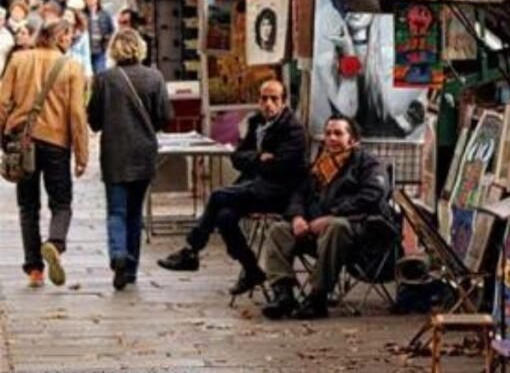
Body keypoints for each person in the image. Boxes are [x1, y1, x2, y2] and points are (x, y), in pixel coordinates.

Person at [158, 80, 306, 295]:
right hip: (253, 185)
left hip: (277, 191)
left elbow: (282, 166)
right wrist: (258, 158)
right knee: (225, 217)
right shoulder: (256, 123)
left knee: (218, 195)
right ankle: (251, 269)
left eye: (274, 99)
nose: (268, 104)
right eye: (264, 98)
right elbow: (237, 157)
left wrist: (259, 162)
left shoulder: (292, 129)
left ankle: (191, 250)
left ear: (283, 102)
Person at [261, 114, 393, 320]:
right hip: (315, 230)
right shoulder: (319, 165)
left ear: (352, 139)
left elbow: (373, 195)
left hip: (359, 230)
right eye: (328, 133)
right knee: (278, 230)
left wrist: (333, 215)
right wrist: (297, 217)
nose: (331, 138)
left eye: (338, 133)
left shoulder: (368, 163)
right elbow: (299, 194)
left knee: (335, 226)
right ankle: (283, 294)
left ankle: (317, 297)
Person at [0, 19, 88, 288]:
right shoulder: (72, 67)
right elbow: (76, 113)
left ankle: (34, 269)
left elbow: (2, 102)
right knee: (61, 202)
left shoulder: (19, 61)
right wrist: (82, 153)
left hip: (22, 140)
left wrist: (3, 138)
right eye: (68, 36)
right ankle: (55, 242)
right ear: (59, 37)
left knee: (28, 206)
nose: (70, 40)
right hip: (56, 143)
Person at [88, 29, 173, 290]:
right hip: (143, 152)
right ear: (140, 48)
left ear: (114, 49)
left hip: (115, 153)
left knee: (117, 210)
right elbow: (165, 117)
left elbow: (94, 120)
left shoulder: (104, 79)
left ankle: (118, 255)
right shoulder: (154, 78)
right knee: (135, 213)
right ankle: (131, 269)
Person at [83, 0, 113, 74]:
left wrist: (107, 40)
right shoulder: (82, 14)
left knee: (100, 73)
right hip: (86, 49)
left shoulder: (105, 14)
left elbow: (111, 30)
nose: (91, 0)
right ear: (85, 0)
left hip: (100, 49)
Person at [66, 11, 93, 83]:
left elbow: (86, 53)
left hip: (77, 65)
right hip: (63, 66)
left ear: (74, 19)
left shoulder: (83, 33)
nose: (66, 18)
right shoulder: (59, 32)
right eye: (65, 16)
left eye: (69, 16)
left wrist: (88, 72)